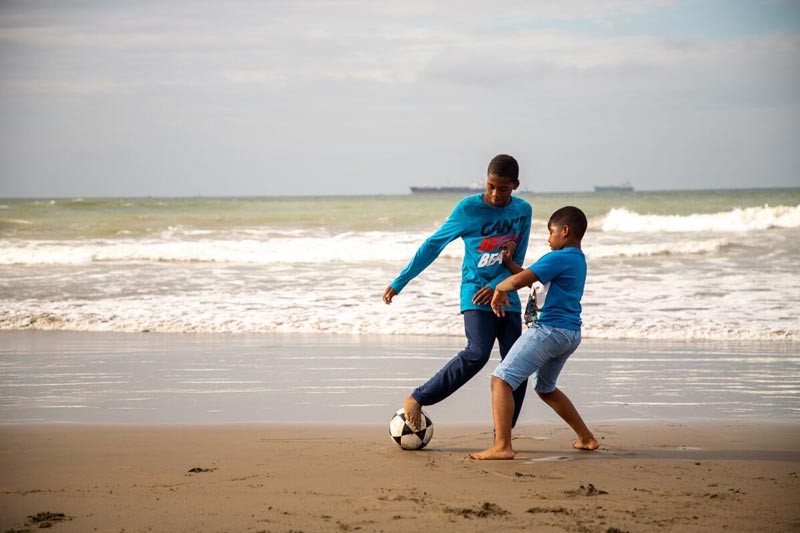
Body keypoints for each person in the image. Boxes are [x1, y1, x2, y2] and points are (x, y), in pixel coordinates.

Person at [383, 154, 532, 430]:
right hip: (476, 293)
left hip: (507, 295)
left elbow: (517, 261)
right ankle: (418, 398)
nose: (495, 194)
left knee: (516, 365)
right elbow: (433, 245)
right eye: (490, 186)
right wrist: (400, 281)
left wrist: (499, 284)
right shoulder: (468, 209)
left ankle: (504, 436)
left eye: (503, 188)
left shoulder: (523, 210)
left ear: (516, 185)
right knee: (477, 353)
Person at [471, 205, 599, 460]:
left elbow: (518, 282)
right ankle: (587, 438)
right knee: (545, 387)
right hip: (569, 334)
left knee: (501, 380)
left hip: (548, 331)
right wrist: (509, 264)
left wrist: (499, 288)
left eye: (550, 233)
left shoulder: (557, 257)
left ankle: (502, 446)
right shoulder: (576, 260)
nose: (548, 239)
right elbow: (531, 279)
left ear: (564, 231)